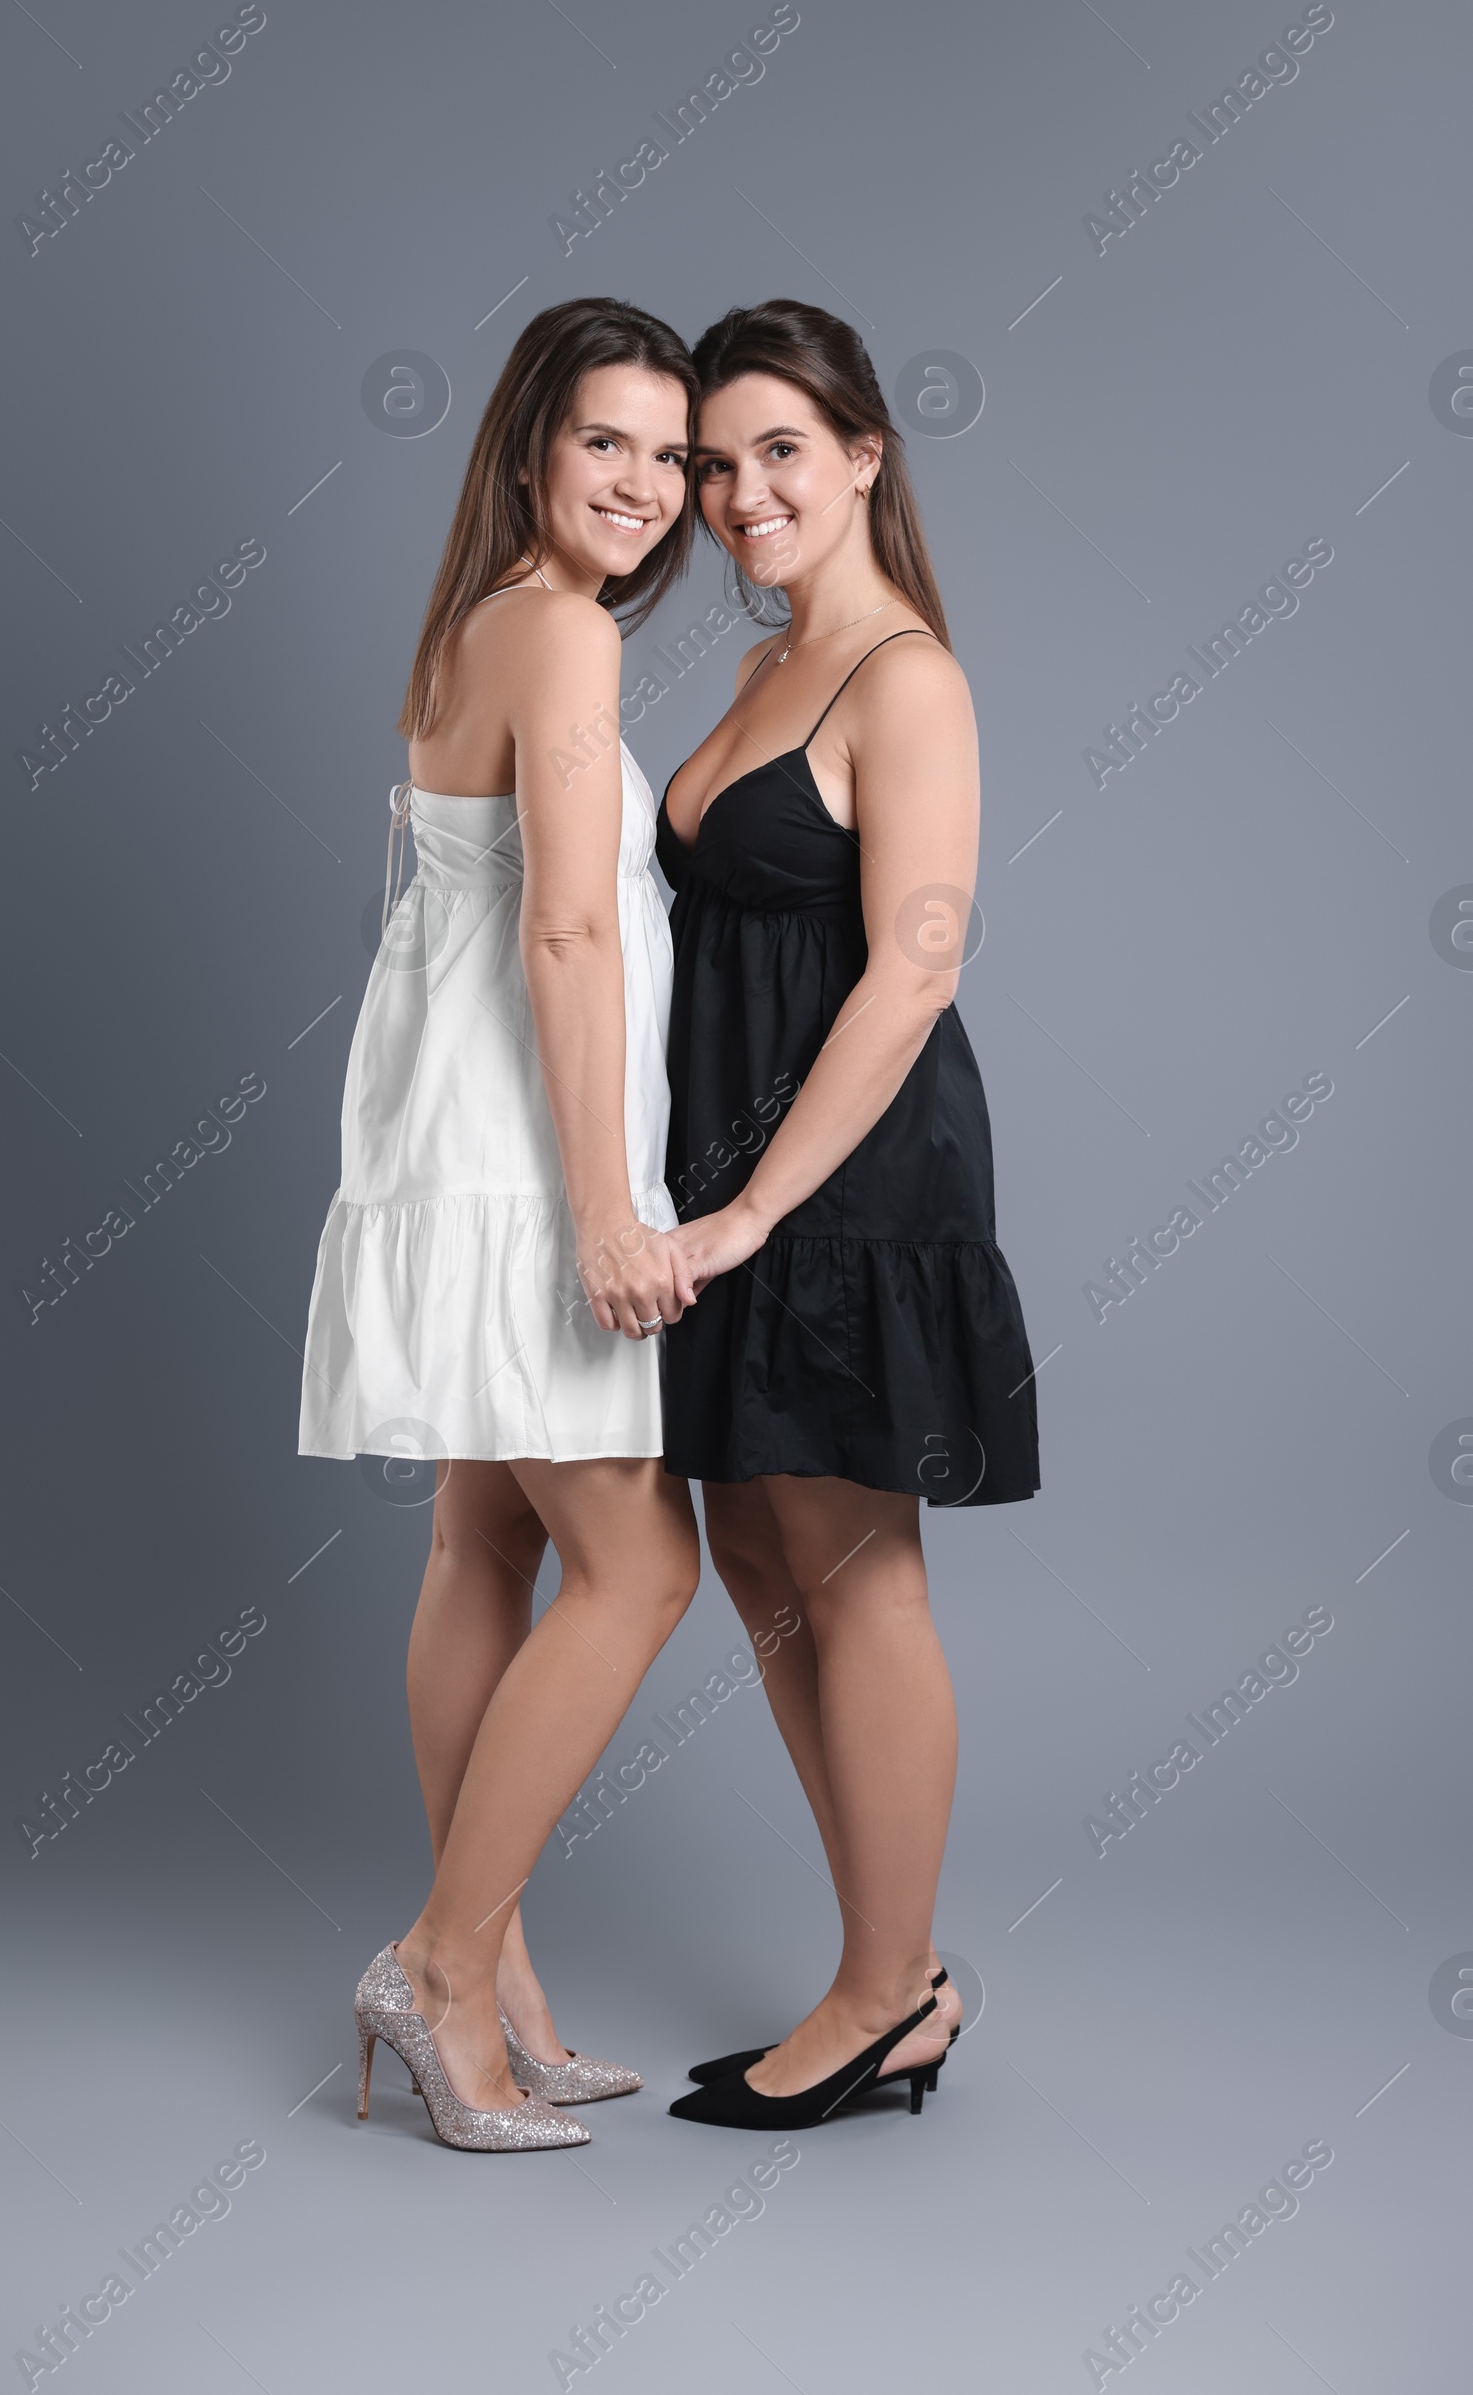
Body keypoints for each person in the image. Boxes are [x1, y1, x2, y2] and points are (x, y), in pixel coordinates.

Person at [298, 298, 703, 2151]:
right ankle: (445, 1963)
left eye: (670, 454)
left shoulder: (481, 625)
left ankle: (504, 1979)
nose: (646, 483)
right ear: (533, 447)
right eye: (605, 442)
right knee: (641, 1568)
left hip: (449, 1137)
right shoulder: (559, 637)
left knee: (482, 1548)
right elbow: (562, 931)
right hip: (524, 1170)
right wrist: (610, 1210)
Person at [654, 300, 1041, 2131]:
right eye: (715, 465)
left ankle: (893, 1993)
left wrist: (745, 1218)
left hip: (842, 1185)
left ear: (868, 453)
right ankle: (883, 1965)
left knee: (859, 1577)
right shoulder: (768, 667)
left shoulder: (905, 676)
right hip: (732, 1187)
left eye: (777, 453)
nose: (738, 495)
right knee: (758, 1564)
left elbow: (914, 968)